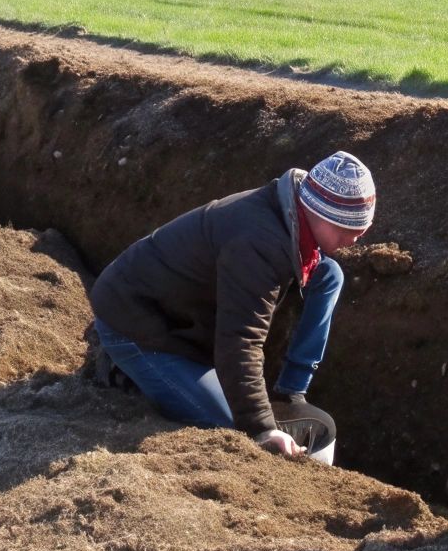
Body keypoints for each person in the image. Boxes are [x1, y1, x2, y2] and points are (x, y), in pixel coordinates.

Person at [88, 151, 374, 459]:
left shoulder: (289, 214)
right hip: (137, 323)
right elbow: (239, 341)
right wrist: (261, 427)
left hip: (181, 311)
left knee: (329, 274)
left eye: (362, 227)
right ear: (318, 211)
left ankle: (292, 390)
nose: (357, 237)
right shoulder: (258, 244)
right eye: (347, 227)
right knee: (234, 431)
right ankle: (121, 366)